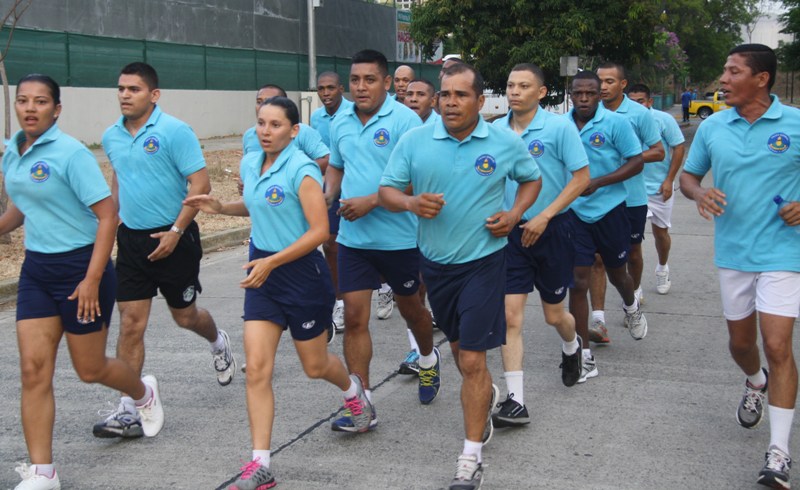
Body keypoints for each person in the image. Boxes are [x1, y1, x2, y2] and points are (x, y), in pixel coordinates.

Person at [185, 96, 371, 489]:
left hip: (302, 275)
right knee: (257, 368)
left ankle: (353, 392)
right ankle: (261, 464)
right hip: (262, 275)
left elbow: (320, 231)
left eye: (275, 124)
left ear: (293, 130)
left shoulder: (302, 170)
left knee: (314, 366)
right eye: (261, 123)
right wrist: (222, 207)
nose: (265, 131)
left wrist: (273, 262)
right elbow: (257, 205)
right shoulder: (251, 162)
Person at [380, 62, 542, 490]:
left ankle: (470, 458)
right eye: (445, 95)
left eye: (461, 95)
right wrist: (411, 203)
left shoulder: (504, 142)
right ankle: (483, 395)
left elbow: (531, 180)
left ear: (480, 100)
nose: (451, 103)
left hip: (484, 262)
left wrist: (514, 213)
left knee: (472, 360)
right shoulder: (415, 141)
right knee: (459, 353)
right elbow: (387, 191)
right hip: (435, 266)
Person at [2, 74, 163, 490]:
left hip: (81, 268)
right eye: (23, 100)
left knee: (90, 369)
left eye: (40, 102)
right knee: (33, 370)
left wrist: (92, 278)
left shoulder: (71, 153)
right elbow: (22, 207)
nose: (30, 108)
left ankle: (142, 392)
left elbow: (108, 215)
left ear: (56, 110)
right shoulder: (12, 152)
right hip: (37, 272)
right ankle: (43, 472)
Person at [679, 43, 800, 489]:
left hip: (783, 251)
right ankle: (754, 381)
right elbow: (689, 177)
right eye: (724, 71)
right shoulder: (713, 126)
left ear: (761, 79)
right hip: (733, 253)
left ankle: (779, 453)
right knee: (741, 344)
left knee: (778, 345)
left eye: (733, 72)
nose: (723, 79)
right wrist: (699, 193)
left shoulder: (795, 124)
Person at [93, 62, 233, 438]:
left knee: (185, 317)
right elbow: (120, 177)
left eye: (134, 89)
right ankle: (129, 407)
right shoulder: (111, 136)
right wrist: (112, 220)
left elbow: (200, 184)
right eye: (121, 88)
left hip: (176, 238)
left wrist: (175, 231)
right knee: (131, 323)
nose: (125, 95)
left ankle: (218, 342)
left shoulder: (175, 131)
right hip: (132, 241)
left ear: (154, 95)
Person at [324, 49, 439, 431]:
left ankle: (427, 358)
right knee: (355, 318)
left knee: (412, 309)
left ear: (387, 83)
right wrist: (327, 195)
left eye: (369, 80)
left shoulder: (407, 122)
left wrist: (371, 201)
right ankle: (362, 404)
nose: (360, 87)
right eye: (355, 80)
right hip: (354, 240)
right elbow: (337, 166)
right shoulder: (340, 121)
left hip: (400, 239)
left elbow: (417, 180)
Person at [491, 63, 590, 427]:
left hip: (554, 230)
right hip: (511, 234)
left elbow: (581, 178)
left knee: (554, 315)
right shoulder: (495, 131)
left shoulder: (559, 128)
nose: (514, 92)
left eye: (523, 86)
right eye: (510, 85)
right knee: (510, 316)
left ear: (542, 92)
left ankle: (572, 346)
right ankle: (516, 400)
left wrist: (545, 215)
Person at [566, 71, 648, 384]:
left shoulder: (616, 123)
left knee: (618, 275)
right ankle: (584, 356)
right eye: (578, 93)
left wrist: (600, 182)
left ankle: (631, 306)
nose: (584, 99)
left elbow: (636, 162)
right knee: (578, 281)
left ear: (599, 95)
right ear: (571, 95)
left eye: (590, 93)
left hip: (611, 211)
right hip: (574, 213)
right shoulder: (561, 126)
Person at [590, 62, 663, 344]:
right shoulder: (588, 112)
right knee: (596, 259)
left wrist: (629, 156)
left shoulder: (638, 113)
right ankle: (598, 320)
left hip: (631, 197)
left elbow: (658, 151)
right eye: (600, 81)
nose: (603, 86)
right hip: (595, 198)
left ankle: (631, 299)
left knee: (631, 254)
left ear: (623, 84)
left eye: (610, 81)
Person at [627, 83, 686, 295]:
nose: (637, 106)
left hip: (658, 188)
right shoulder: (622, 120)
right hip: (632, 190)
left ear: (650, 101)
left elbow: (678, 147)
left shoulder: (663, 119)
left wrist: (669, 180)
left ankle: (662, 268)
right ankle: (636, 289)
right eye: (632, 102)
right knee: (633, 242)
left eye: (641, 101)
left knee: (660, 233)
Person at [311, 72, 354, 332]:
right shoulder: (316, 118)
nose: (326, 93)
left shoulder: (353, 113)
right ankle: (339, 302)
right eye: (321, 88)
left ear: (341, 88)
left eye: (330, 88)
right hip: (330, 187)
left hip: (357, 186)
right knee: (330, 243)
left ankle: (384, 286)